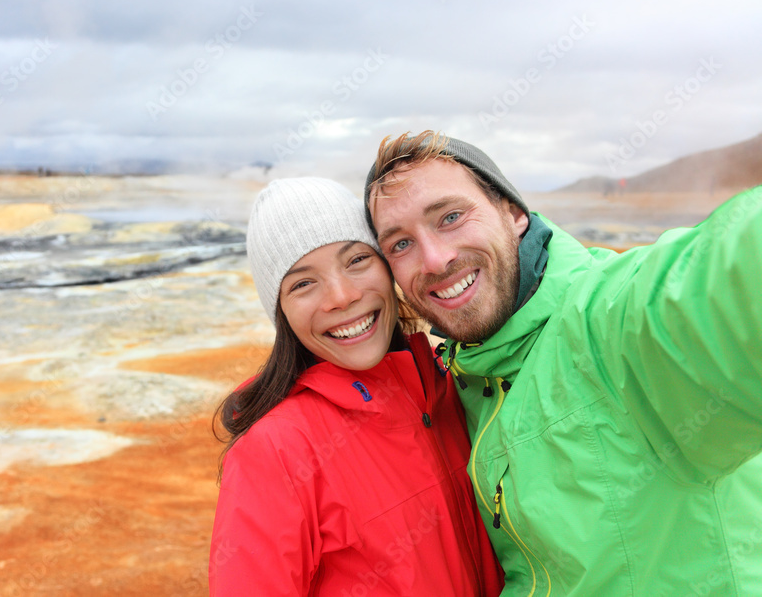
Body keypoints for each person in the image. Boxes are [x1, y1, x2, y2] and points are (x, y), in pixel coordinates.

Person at [363, 130, 762, 596]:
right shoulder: (462, 381)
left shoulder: (611, 325)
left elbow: (723, 279)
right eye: (400, 245)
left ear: (513, 214)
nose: (435, 259)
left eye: (451, 217)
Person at [210, 177, 504, 596]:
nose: (342, 297)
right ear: (282, 314)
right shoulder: (275, 451)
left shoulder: (452, 387)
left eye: (356, 261)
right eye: (303, 283)